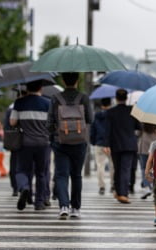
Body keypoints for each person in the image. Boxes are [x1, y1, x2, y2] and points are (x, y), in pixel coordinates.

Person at [47, 72, 92, 219]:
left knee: (61, 174)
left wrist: (54, 136)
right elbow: (90, 119)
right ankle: (76, 208)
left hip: (60, 142)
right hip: (80, 141)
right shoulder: (84, 98)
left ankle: (64, 205)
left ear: (63, 81)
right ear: (77, 81)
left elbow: (49, 123)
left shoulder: (55, 98)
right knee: (76, 175)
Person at [10, 80, 51, 211]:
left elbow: (12, 122)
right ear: (41, 88)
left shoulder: (19, 102)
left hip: (25, 143)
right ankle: (39, 203)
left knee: (22, 170)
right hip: (43, 143)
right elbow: (52, 124)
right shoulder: (48, 103)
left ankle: (25, 187)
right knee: (41, 173)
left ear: (27, 88)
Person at [103, 89, 140, 204]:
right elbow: (138, 127)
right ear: (126, 98)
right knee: (125, 169)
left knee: (117, 168)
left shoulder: (110, 112)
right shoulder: (132, 111)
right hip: (129, 144)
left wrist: (106, 144)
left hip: (115, 144)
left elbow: (107, 129)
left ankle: (119, 191)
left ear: (116, 98)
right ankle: (123, 193)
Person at [90, 97, 114, 195]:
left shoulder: (97, 115)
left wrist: (93, 141)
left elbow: (93, 130)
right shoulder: (113, 115)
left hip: (99, 143)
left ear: (101, 105)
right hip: (112, 144)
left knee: (100, 166)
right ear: (110, 104)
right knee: (113, 166)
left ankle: (102, 186)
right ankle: (113, 185)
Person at [138, 123, 156, 199]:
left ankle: (147, 187)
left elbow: (138, 133)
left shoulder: (143, 122)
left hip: (144, 147)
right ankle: (154, 186)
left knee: (144, 168)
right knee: (155, 168)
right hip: (155, 146)